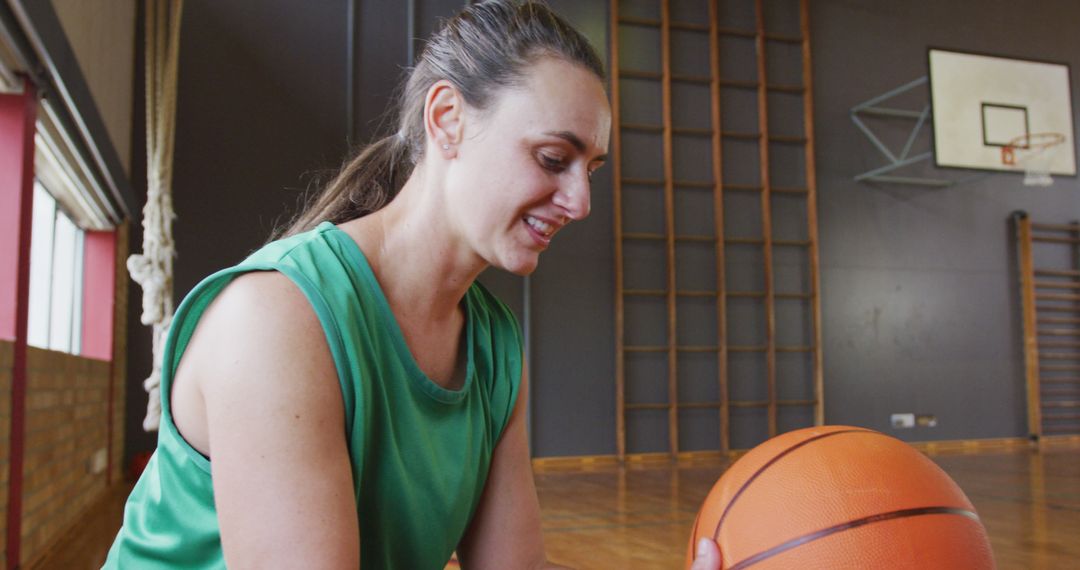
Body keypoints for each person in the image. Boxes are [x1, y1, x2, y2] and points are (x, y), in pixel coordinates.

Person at [106, 0, 722, 568]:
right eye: (553, 160)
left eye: (591, 170)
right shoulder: (276, 319)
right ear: (448, 118)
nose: (580, 201)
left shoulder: (493, 344)